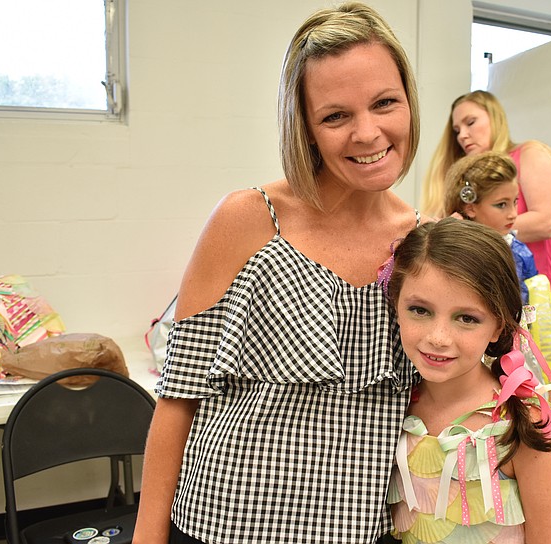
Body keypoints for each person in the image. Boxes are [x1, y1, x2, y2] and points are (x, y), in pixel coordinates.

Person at [133, 3, 422, 543]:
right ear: (306, 128)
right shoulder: (248, 218)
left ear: (409, 103)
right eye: (335, 116)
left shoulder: (422, 243)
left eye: (385, 103)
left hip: (362, 530)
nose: (367, 133)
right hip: (225, 524)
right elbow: (178, 396)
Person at [382, 218, 551, 544]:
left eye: (467, 318)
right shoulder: (390, 407)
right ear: (396, 306)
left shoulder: (522, 421)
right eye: (420, 310)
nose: (438, 338)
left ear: (499, 326)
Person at [422, 90, 551, 408]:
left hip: (538, 305)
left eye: (471, 122)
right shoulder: (466, 178)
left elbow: (546, 220)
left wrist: (474, 231)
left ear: (495, 116)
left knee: (541, 398)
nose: (463, 134)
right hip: (483, 308)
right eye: (456, 129)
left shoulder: (529, 155)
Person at [443, 151, 537, 303]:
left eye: (515, 202)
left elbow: (528, 309)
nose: (513, 214)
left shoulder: (520, 253)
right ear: (470, 208)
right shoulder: (450, 252)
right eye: (501, 205)